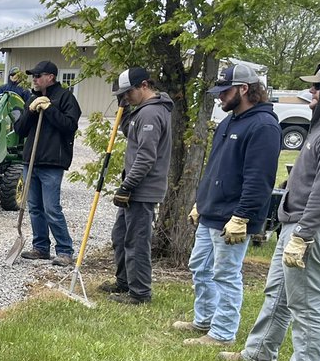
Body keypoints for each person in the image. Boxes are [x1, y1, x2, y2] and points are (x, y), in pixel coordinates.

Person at [220, 60, 320, 361]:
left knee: (308, 302)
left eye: (318, 86)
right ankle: (259, 352)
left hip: (316, 231)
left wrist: (304, 235)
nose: (311, 91)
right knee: (279, 294)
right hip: (297, 225)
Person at [170, 62, 281, 339]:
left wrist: (242, 216)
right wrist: (201, 202)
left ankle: (222, 332)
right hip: (212, 211)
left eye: (225, 91)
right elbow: (215, 168)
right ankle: (204, 319)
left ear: (244, 89)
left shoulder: (264, 126)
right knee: (200, 267)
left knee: (226, 274)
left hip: (233, 217)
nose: (219, 96)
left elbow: (259, 179)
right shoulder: (229, 121)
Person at [101, 67, 173, 305]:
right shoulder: (141, 111)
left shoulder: (152, 113)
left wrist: (127, 186)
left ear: (144, 85)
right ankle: (124, 283)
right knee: (120, 236)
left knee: (137, 241)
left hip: (142, 189)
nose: (126, 97)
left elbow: (146, 156)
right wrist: (123, 110)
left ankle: (140, 293)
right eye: (122, 95)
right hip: (134, 188)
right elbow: (129, 132)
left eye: (128, 92)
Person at [13, 60, 81, 265]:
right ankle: (40, 247)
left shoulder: (66, 98)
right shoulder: (32, 99)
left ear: (50, 77)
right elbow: (20, 130)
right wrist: (31, 111)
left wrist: (49, 109)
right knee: (34, 207)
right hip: (31, 161)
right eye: (33, 76)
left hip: (52, 162)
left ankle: (65, 250)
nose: (34, 79)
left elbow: (70, 126)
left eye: (37, 75)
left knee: (51, 208)